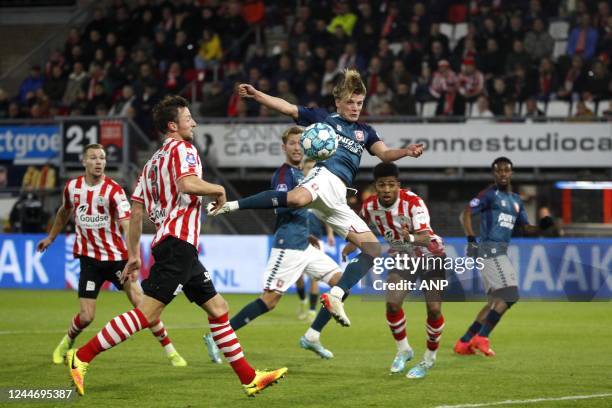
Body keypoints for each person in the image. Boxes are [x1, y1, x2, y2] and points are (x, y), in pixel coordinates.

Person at [64, 96, 286, 397]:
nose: (193, 123)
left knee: (218, 308)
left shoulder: (151, 164)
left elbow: (136, 210)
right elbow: (186, 184)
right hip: (178, 242)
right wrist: (218, 189)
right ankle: (82, 356)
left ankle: (249, 378)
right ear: (173, 125)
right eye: (188, 117)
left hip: (172, 244)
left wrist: (132, 255)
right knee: (149, 313)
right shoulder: (185, 149)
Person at [208, 69, 424, 328]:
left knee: (372, 248)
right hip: (325, 177)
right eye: (350, 103)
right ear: (338, 103)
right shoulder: (324, 119)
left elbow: (386, 154)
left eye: (359, 103)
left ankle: (335, 295)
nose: (355, 108)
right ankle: (230, 205)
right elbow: (288, 108)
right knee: (296, 199)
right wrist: (258, 95)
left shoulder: (365, 131)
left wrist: (407, 152)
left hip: (338, 197)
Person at [37, 144, 186, 368]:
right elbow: (64, 211)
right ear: (83, 161)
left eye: (102, 158)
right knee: (86, 317)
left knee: (141, 303)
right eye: (94, 158)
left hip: (117, 259)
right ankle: (66, 343)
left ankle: (171, 352)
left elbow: (127, 225)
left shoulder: (114, 190)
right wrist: (51, 237)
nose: (99, 162)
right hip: (89, 260)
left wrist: (132, 256)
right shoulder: (72, 188)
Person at [204, 127, 343, 362]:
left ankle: (312, 335)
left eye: (301, 143)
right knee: (269, 300)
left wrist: (308, 232)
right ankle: (218, 337)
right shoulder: (284, 175)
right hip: (287, 245)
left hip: (304, 245)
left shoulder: (302, 175)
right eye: (292, 143)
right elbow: (280, 203)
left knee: (341, 282)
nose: (297, 147)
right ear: (284, 147)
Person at [342, 163, 446, 379]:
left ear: (398, 185)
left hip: (430, 256)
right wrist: (351, 244)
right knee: (392, 303)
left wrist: (408, 237)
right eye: (382, 185)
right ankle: (404, 350)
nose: (387, 189)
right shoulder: (370, 206)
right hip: (403, 257)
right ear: (376, 186)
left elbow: (426, 239)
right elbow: (361, 225)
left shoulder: (414, 203)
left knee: (434, 309)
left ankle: (429, 358)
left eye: (391, 184)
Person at [454, 157, 539, 356]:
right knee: (510, 295)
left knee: (495, 302)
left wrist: (543, 226)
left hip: (499, 252)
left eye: (506, 170)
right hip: (488, 250)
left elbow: (526, 227)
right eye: (498, 170)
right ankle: (482, 337)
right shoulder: (489, 195)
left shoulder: (516, 201)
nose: (502, 174)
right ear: (494, 174)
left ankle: (464, 342)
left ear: (511, 173)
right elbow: (465, 214)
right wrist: (471, 240)